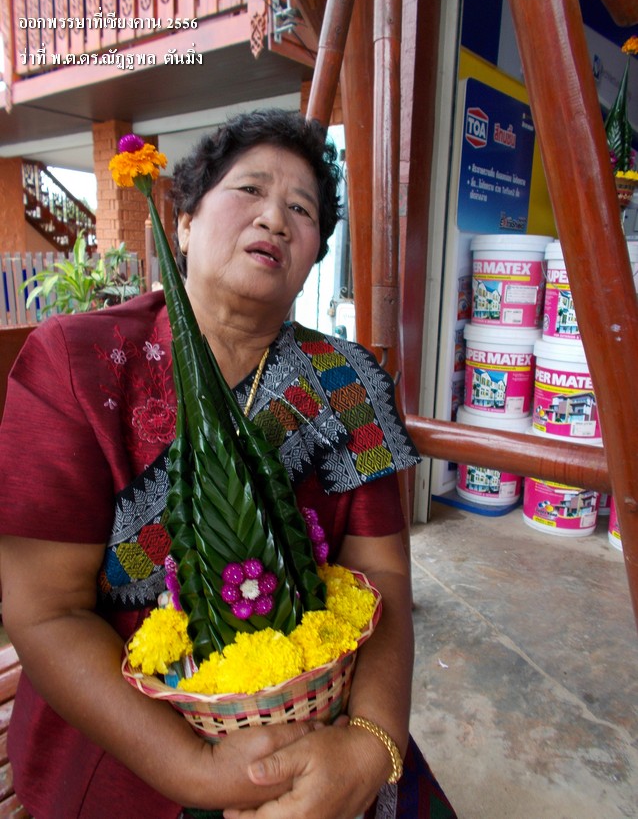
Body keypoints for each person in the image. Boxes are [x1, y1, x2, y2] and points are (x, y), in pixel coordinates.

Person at [0, 109, 457, 819]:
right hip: (126, 747)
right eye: (249, 190)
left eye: (302, 210)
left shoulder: (348, 382)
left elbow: (385, 577)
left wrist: (371, 745)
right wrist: (198, 771)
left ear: (313, 255)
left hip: (317, 724)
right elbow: (44, 612)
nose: (275, 218)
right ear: (184, 222)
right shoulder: (78, 364)